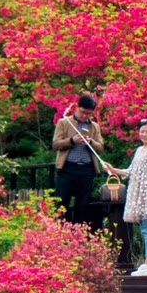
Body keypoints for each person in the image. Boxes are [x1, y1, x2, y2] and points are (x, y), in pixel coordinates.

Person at [106, 120, 147, 276]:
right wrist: (113, 170)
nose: (144, 134)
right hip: (138, 193)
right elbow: (130, 171)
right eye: (142, 131)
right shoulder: (139, 150)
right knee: (145, 228)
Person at [52, 93, 107, 225]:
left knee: (82, 205)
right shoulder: (64, 123)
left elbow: (100, 147)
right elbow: (55, 144)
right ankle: (59, 234)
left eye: (89, 113)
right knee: (61, 203)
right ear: (77, 107)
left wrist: (91, 142)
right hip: (67, 169)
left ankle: (78, 234)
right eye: (83, 112)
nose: (85, 116)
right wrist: (72, 140)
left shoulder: (94, 126)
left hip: (87, 170)